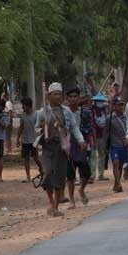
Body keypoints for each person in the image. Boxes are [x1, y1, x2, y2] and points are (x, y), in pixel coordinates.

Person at [37, 83, 85, 217]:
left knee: (59, 178)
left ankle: (56, 207)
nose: (58, 96)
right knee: (47, 173)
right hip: (48, 147)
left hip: (62, 147)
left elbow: (74, 127)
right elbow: (37, 127)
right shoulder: (43, 112)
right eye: (55, 94)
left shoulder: (66, 111)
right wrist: (42, 128)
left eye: (59, 94)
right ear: (49, 96)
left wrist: (80, 140)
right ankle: (51, 202)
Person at [65, 89, 92, 208]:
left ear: (79, 98)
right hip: (68, 145)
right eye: (70, 96)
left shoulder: (85, 112)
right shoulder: (64, 112)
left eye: (75, 96)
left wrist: (89, 142)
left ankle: (81, 189)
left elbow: (89, 128)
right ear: (67, 98)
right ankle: (72, 200)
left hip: (81, 144)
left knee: (86, 172)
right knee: (70, 174)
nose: (73, 99)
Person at [17, 97, 41, 183]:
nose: (22, 107)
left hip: (34, 140)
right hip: (25, 141)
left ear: (28, 105)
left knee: (36, 158)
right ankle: (28, 177)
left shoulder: (36, 115)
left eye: (23, 105)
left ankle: (43, 171)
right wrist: (18, 138)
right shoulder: (22, 116)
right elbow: (21, 127)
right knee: (26, 159)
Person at [108, 97, 128, 192]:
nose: (121, 107)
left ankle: (116, 183)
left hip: (124, 145)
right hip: (114, 145)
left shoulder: (126, 117)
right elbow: (106, 133)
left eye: (122, 104)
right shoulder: (110, 118)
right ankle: (119, 184)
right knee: (115, 164)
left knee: (120, 165)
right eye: (119, 105)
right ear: (114, 106)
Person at [90, 93, 110, 182]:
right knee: (93, 155)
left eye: (101, 101)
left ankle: (101, 174)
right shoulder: (91, 111)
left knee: (102, 154)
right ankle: (92, 174)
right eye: (98, 101)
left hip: (102, 136)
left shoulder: (104, 111)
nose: (100, 103)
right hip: (93, 135)